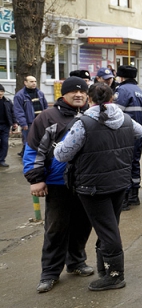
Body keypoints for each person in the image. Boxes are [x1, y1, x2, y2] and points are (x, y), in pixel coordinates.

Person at [54, 83, 142, 291]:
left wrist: (58, 145)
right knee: (110, 226)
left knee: (107, 230)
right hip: (120, 182)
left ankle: (114, 276)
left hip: (93, 186)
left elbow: (62, 154)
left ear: (89, 99)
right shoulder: (125, 119)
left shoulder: (83, 123)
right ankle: (105, 270)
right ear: (112, 98)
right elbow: (139, 132)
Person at [23, 77, 93, 293]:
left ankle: (76, 262)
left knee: (82, 225)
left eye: (82, 92)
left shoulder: (92, 115)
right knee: (56, 228)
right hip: (57, 183)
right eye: (74, 92)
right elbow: (33, 150)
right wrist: (36, 179)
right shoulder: (48, 116)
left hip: (85, 182)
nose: (79, 95)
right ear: (64, 94)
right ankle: (50, 273)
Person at [114, 65, 142, 210]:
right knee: (135, 162)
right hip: (138, 133)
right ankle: (134, 195)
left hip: (124, 134)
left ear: (121, 77)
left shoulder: (121, 90)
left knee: (124, 164)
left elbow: (116, 112)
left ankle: (125, 199)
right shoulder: (140, 91)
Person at [14, 75, 48, 157]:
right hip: (29, 124)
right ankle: (28, 158)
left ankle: (39, 157)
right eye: (31, 81)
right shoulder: (20, 95)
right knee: (28, 142)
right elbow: (18, 111)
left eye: (35, 81)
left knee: (42, 140)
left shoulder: (40, 93)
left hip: (41, 122)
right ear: (25, 83)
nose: (34, 83)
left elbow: (46, 107)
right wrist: (23, 123)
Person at [0, 84, 17, 167]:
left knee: (4, 143)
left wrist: (15, 123)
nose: (0, 94)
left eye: (2, 92)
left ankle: (1, 160)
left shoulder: (7, 101)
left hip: (5, 126)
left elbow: (13, 112)